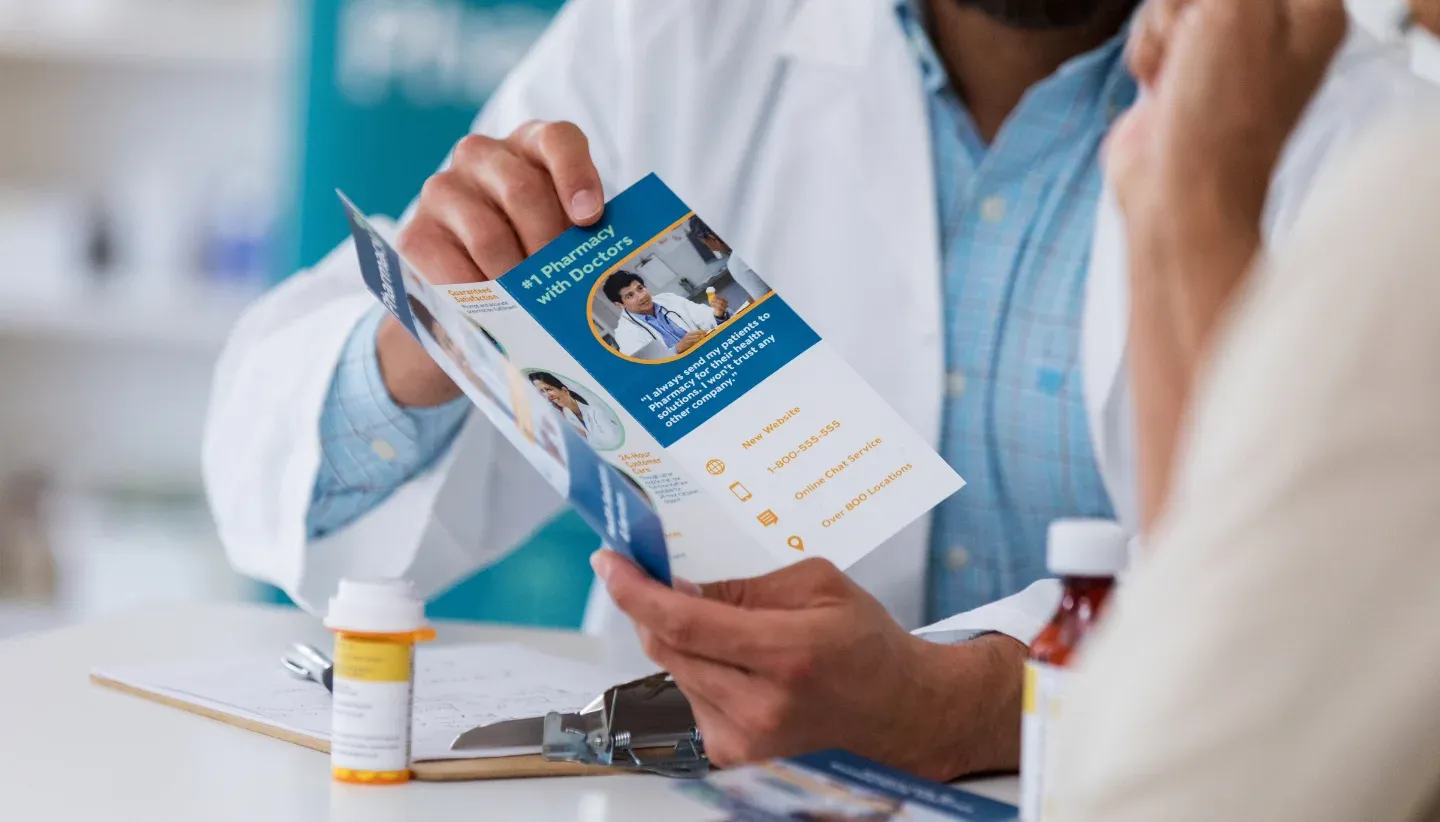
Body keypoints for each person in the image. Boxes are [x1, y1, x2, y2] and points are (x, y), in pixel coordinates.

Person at [203, 0, 1432, 778]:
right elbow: (281, 444)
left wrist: (975, 710)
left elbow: (1323, 654)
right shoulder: (676, 37)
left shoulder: (1373, 140)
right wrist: (429, 338)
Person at [1046, 1, 1440, 819]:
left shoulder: (1413, 204)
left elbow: (1185, 781)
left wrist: (1194, 189)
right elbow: (1205, 575)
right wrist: (1179, 180)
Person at [602, 270, 729, 357]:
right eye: (630, 295)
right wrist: (677, 349)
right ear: (619, 304)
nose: (641, 297)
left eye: (640, 288)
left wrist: (718, 314)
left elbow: (706, 319)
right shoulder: (625, 333)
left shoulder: (668, 299)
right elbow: (649, 368)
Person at [528, 370, 620, 446]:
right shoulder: (565, 418)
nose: (547, 395)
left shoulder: (595, 410)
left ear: (564, 390)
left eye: (548, 389)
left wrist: (584, 435)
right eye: (542, 392)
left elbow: (612, 441)